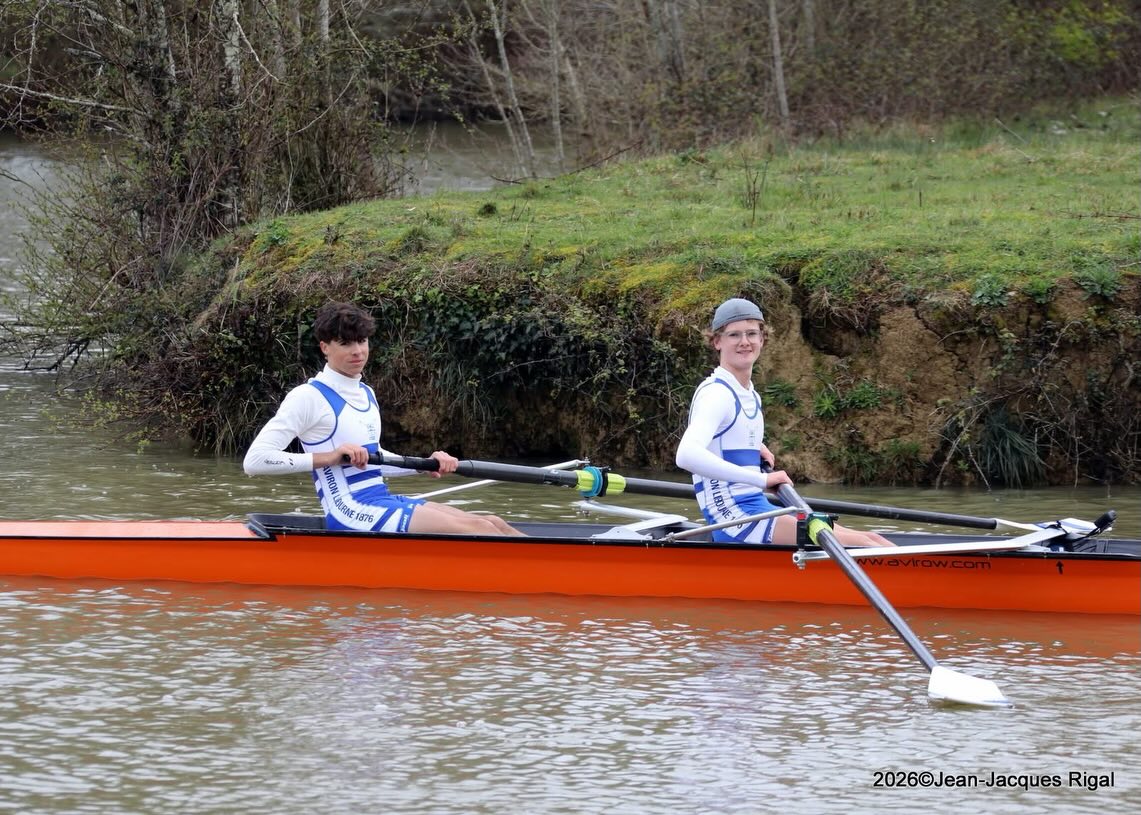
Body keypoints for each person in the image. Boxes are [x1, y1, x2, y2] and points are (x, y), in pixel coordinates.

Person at [243, 301, 522, 536]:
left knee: (493, 522)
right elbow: (255, 461)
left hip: (380, 499)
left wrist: (423, 465)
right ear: (325, 347)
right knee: (477, 528)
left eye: (362, 341)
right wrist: (328, 457)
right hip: (350, 511)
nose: (357, 351)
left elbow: (376, 459)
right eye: (345, 343)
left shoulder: (366, 393)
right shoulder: (308, 397)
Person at [675, 297, 893, 547]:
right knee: (867, 547)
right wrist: (763, 480)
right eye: (734, 335)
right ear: (717, 342)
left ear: (762, 339)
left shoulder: (748, 394)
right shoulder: (717, 393)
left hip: (757, 507)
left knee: (872, 537)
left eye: (751, 334)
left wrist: (754, 445)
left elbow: (725, 438)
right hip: (734, 520)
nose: (744, 342)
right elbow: (687, 455)